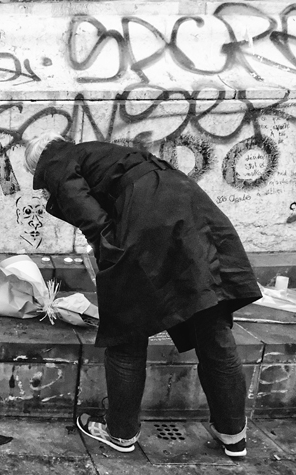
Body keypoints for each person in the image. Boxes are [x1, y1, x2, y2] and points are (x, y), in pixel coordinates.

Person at [25, 134, 262, 457]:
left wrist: (114, 260)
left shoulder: (54, 161)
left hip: (146, 218)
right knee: (210, 319)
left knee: (126, 331)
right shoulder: (100, 152)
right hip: (190, 208)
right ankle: (233, 433)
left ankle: (120, 431)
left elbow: (90, 217)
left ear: (38, 163)